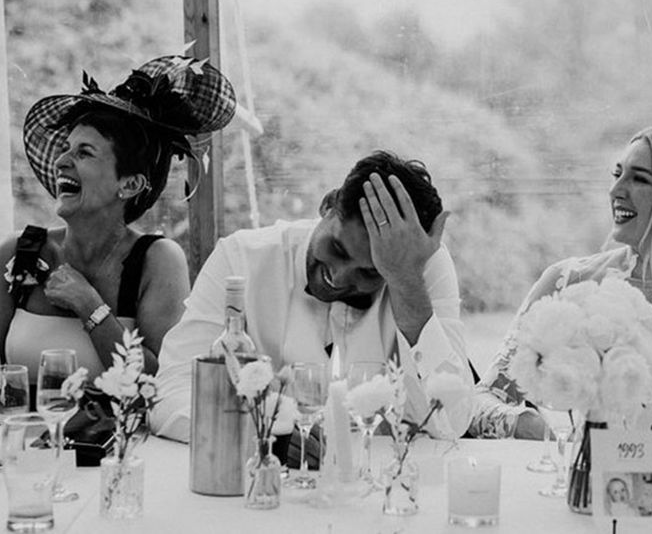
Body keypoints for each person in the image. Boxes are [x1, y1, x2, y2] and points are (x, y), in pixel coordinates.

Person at [469, 126, 652, 443]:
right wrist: (527, 424)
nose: (615, 191)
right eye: (617, 175)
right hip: (588, 484)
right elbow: (479, 401)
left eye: (639, 179)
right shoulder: (568, 280)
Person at [151, 151, 473, 442]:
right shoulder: (240, 259)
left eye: (371, 272)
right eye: (337, 249)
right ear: (327, 206)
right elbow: (171, 393)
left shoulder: (418, 271)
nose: (341, 277)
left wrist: (406, 282)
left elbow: (451, 422)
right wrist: (276, 430)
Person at [0, 55, 237, 383]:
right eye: (66, 149)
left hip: (125, 436)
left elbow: (161, 377)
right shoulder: (18, 252)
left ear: (129, 184)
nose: (61, 161)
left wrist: (89, 305)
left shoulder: (157, 260)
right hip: (26, 432)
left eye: (84, 153)